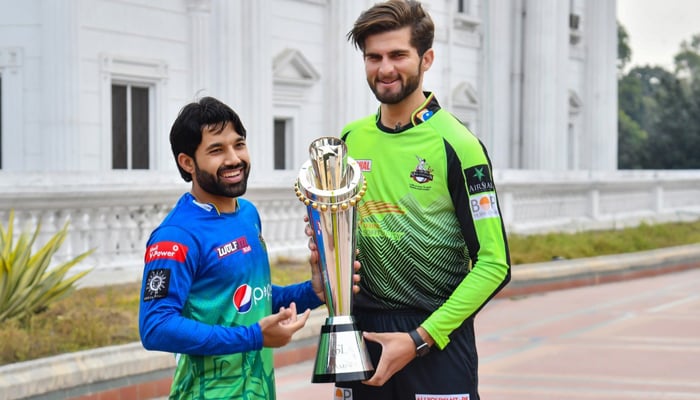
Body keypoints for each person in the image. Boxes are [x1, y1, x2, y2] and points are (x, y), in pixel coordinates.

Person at [336, 1, 512, 398]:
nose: (385, 69)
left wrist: (420, 338)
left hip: (436, 341)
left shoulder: (459, 144)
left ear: (426, 58)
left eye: (398, 55)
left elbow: (495, 263)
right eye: (373, 57)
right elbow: (339, 246)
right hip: (362, 337)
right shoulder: (349, 140)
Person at [138, 96, 356, 399]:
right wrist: (254, 336)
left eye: (238, 145)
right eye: (216, 150)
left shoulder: (247, 214)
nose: (234, 158)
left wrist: (314, 292)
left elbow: (251, 298)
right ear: (187, 162)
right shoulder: (175, 236)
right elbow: (155, 326)